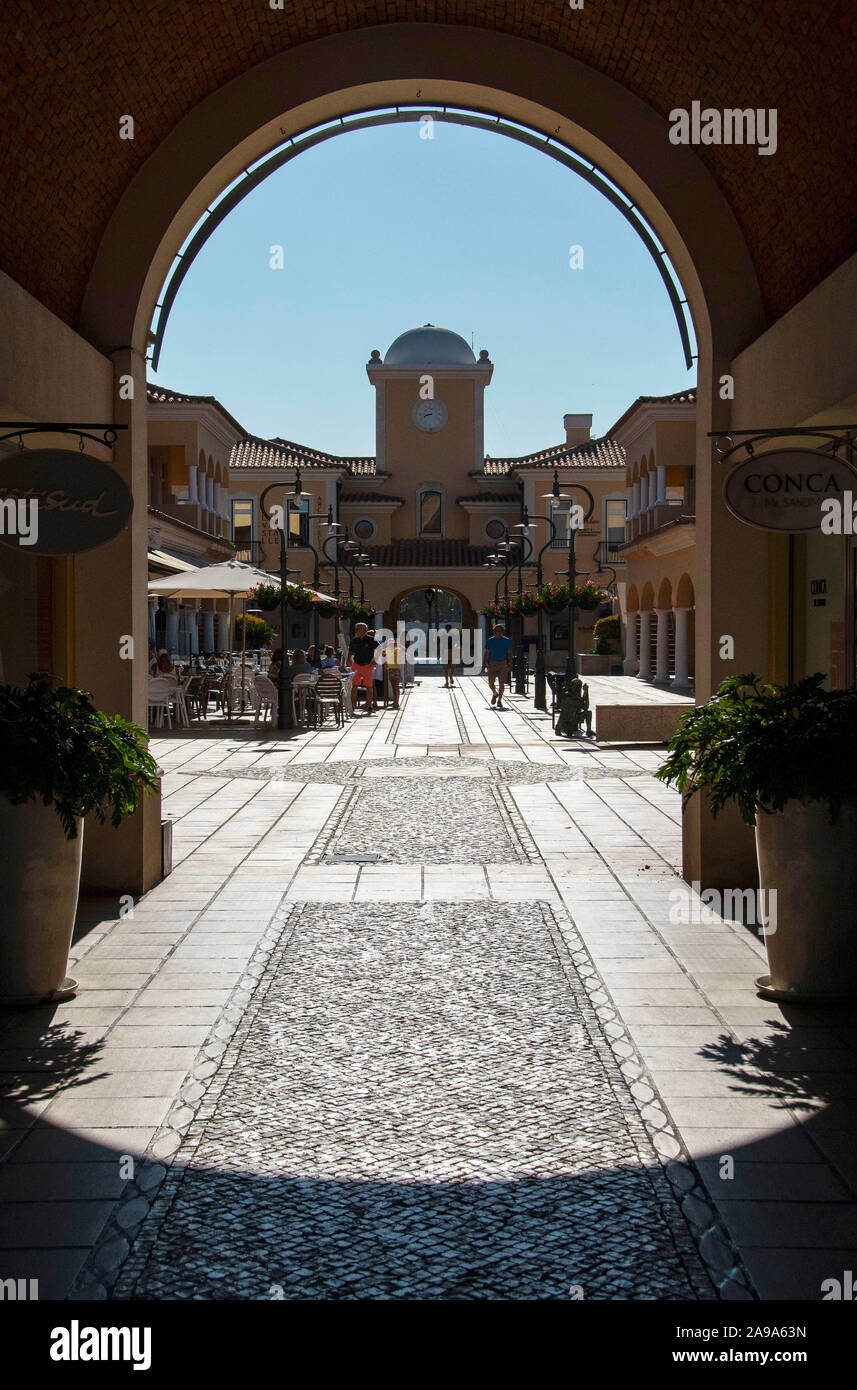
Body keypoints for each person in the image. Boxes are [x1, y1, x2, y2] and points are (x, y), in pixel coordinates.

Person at [348, 621, 379, 713]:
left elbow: (381, 650)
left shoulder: (371, 640)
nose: (356, 631)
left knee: (369, 686)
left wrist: (375, 660)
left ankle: (369, 706)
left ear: (364, 630)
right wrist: (348, 659)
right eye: (356, 629)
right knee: (354, 686)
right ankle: (352, 706)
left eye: (358, 629)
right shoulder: (354, 640)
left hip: (367, 665)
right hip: (356, 665)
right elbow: (350, 652)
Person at [481, 624, 513, 710]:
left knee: (501, 683)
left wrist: (509, 663)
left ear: (502, 632)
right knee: (491, 682)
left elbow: (509, 653)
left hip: (503, 663)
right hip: (492, 663)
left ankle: (499, 700)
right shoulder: (490, 641)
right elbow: (486, 653)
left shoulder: (507, 641)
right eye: (494, 631)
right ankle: (495, 693)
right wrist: (484, 664)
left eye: (497, 630)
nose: (495, 632)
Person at [442, 622, 460, 687]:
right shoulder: (444, 636)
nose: (448, 630)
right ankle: (447, 680)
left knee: (450, 667)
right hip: (447, 652)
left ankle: (450, 677)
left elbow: (457, 644)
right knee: (447, 668)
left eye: (448, 629)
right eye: (447, 629)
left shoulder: (453, 636)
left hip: (451, 652)